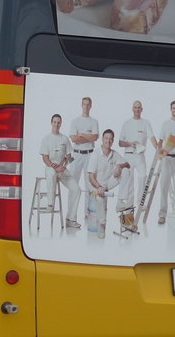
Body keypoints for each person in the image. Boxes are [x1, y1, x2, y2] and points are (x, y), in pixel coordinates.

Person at [39, 114, 80, 228]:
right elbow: (45, 158)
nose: (56, 124)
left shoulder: (64, 139)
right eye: (55, 122)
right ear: (51, 123)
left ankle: (71, 219)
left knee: (76, 189)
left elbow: (70, 156)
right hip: (50, 168)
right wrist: (53, 166)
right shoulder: (46, 139)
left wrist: (63, 165)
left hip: (62, 169)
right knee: (51, 173)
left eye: (59, 122)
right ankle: (50, 204)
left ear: (61, 124)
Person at [87, 129, 129, 239]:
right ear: (102, 139)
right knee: (100, 199)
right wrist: (99, 187)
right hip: (95, 185)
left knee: (125, 171)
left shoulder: (114, 154)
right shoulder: (96, 154)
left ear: (113, 140)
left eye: (111, 139)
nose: (108, 141)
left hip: (107, 184)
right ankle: (102, 224)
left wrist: (119, 166)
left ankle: (120, 201)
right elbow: (90, 177)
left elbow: (127, 164)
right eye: (106, 138)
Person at [67, 97, 100, 225]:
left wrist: (81, 135)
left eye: (88, 104)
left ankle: (88, 214)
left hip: (89, 155)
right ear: (81, 105)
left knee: (90, 185)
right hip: (76, 155)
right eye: (84, 104)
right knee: (73, 185)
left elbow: (95, 137)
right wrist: (89, 137)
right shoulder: (75, 121)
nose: (86, 107)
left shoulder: (94, 121)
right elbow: (74, 140)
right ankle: (71, 215)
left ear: (91, 106)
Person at [117, 100, 157, 205]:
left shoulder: (145, 123)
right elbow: (120, 143)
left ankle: (140, 201)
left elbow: (151, 137)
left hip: (140, 156)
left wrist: (157, 148)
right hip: (128, 156)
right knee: (129, 182)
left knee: (143, 176)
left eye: (139, 107)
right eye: (135, 107)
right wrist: (131, 144)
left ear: (142, 109)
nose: (137, 109)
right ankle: (129, 205)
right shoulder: (127, 123)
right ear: (132, 109)